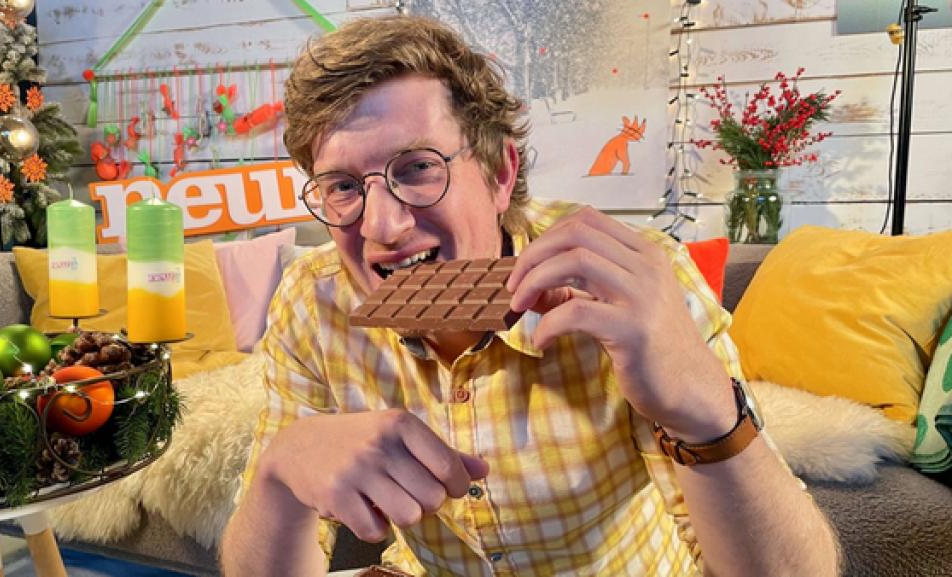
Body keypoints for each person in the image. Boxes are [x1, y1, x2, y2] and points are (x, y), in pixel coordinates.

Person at [221, 15, 840, 577]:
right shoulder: (313, 301)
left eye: (416, 168)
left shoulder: (632, 284)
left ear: (499, 174)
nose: (381, 228)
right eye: (343, 185)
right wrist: (280, 473)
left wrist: (703, 406)